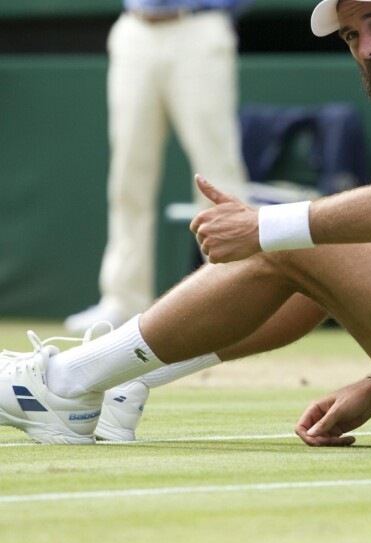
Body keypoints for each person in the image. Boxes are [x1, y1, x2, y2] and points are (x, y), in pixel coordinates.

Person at [2, 0, 371, 453]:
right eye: (353, 35)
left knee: (301, 239)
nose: (369, 48)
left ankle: (64, 383)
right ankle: (125, 378)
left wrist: (263, 226)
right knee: (340, 237)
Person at [64, 0, 252, 334]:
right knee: (128, 173)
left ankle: (236, 294)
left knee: (217, 170)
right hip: (134, 31)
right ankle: (122, 300)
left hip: (199, 29)